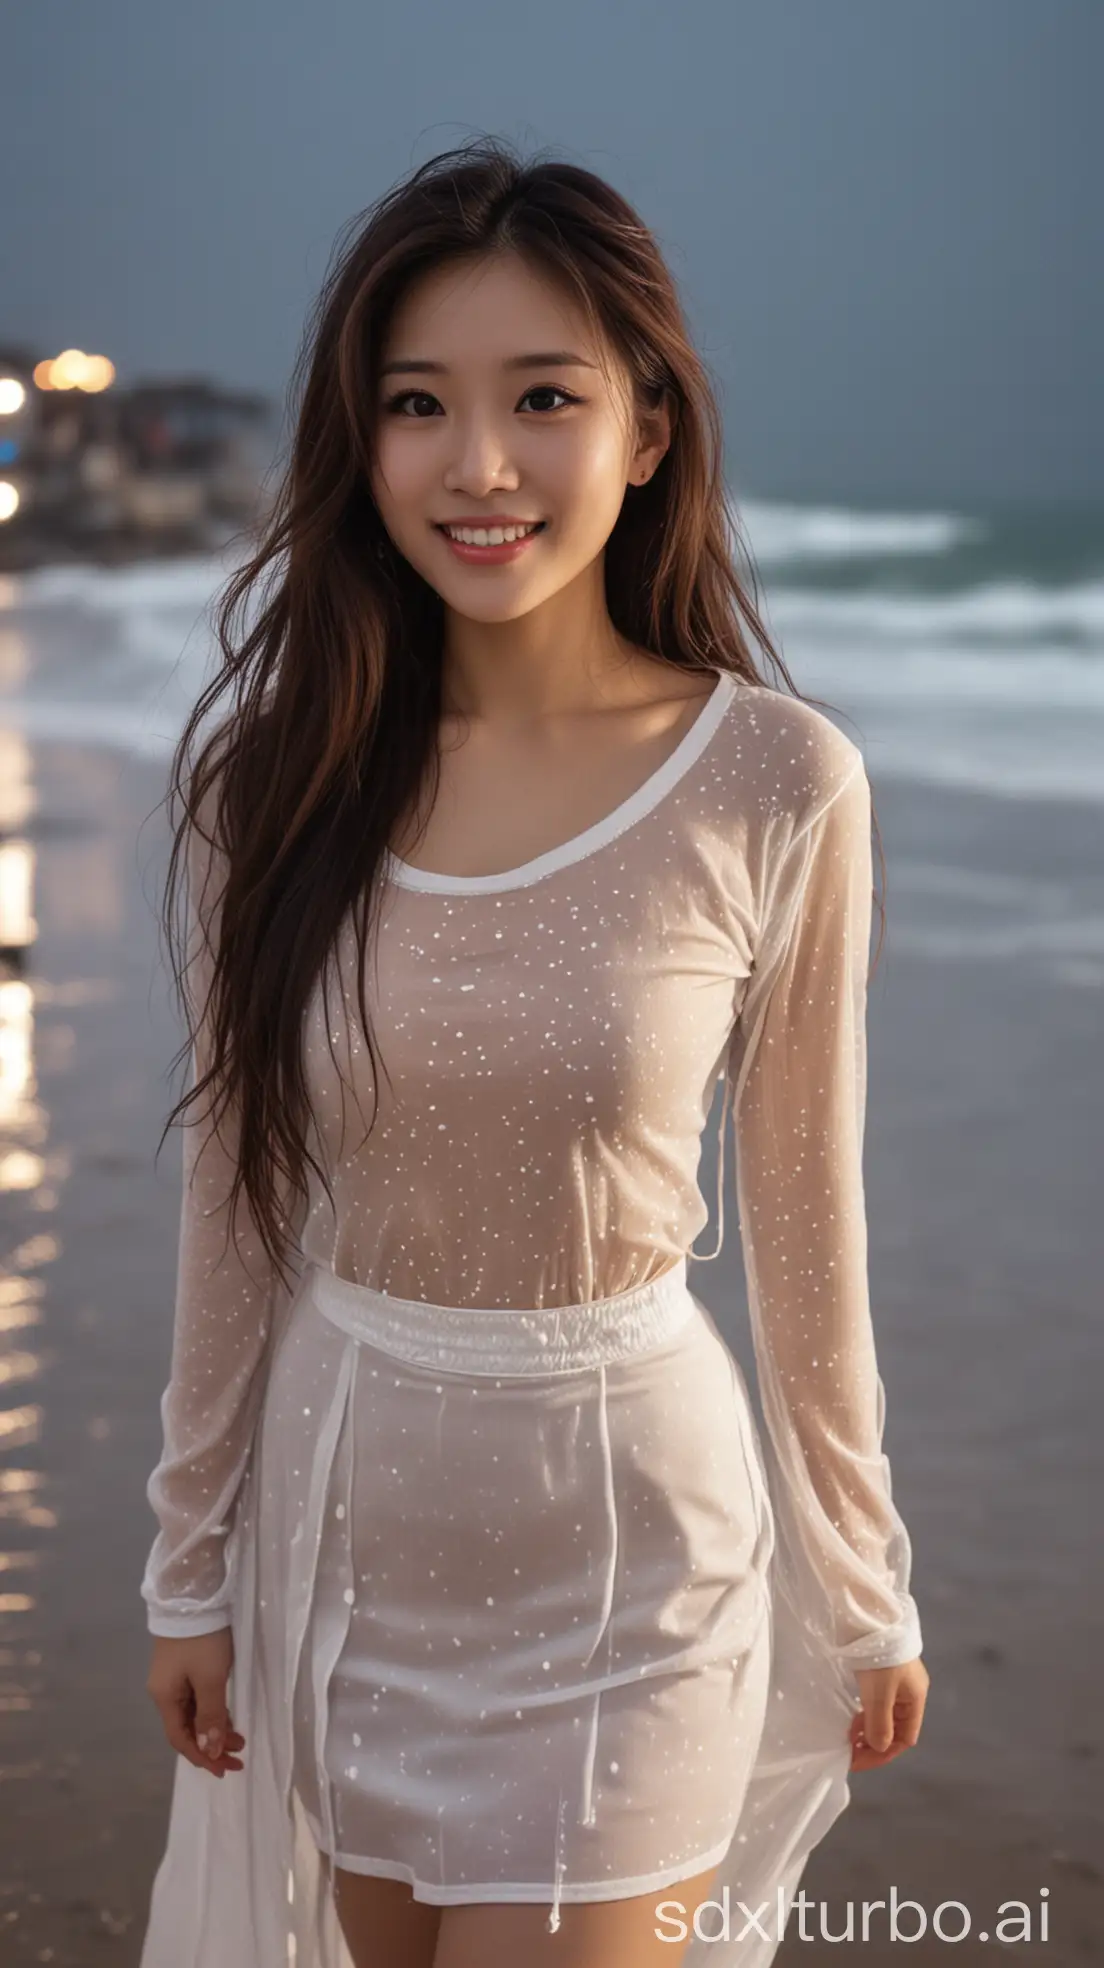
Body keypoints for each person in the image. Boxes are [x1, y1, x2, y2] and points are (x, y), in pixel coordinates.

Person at [139, 135, 928, 1968]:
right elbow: (237, 1194)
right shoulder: (284, 783)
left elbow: (811, 1221)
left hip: (629, 1560)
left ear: (646, 430)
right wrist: (188, 1566)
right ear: (366, 440)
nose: (477, 465)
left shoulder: (774, 783)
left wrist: (864, 1580)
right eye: (418, 405)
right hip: (350, 1541)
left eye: (544, 399)